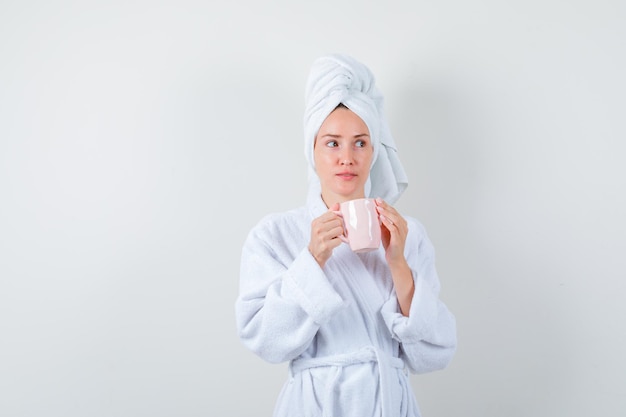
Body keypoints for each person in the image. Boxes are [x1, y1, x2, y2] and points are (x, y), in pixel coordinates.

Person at [235, 54, 457, 417]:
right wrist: (312, 260)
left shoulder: (407, 234)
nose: (347, 158)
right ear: (313, 150)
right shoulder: (274, 235)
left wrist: (398, 264)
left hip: (390, 403)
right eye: (332, 143)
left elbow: (437, 352)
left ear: (374, 152)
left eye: (360, 142)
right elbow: (265, 341)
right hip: (316, 406)